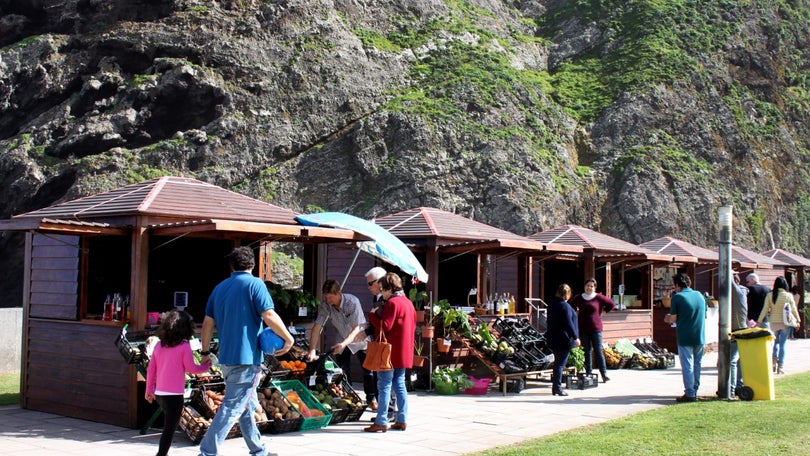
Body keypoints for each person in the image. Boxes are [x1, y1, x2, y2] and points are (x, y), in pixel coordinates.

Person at [199, 246, 294, 456]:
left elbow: (207, 323)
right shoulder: (255, 284)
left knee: (247, 407)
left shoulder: (220, 288)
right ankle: (206, 452)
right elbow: (268, 314)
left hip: (226, 358)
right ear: (252, 265)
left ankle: (258, 449)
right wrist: (288, 338)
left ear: (231, 266)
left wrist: (205, 352)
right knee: (232, 407)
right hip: (247, 358)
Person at [145, 310, 212, 456]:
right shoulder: (184, 346)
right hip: (175, 395)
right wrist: (206, 366)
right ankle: (161, 454)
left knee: (168, 426)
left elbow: (151, 370)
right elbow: (191, 368)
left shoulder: (159, 346)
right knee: (169, 428)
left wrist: (149, 390)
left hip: (160, 393)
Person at [306, 279, 375, 407]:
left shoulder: (352, 302)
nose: (328, 300)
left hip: (360, 336)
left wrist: (344, 344)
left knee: (368, 370)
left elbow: (355, 329)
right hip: (341, 336)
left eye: (331, 297)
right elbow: (317, 328)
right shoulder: (326, 305)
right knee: (343, 370)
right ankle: (350, 397)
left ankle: (372, 399)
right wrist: (312, 349)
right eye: (326, 297)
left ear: (339, 293)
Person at [364, 272, 416, 432]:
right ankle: (402, 419)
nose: (382, 293)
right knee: (400, 384)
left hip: (390, 351)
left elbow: (385, 326)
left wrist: (372, 316)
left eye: (382, 289)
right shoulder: (408, 302)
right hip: (404, 351)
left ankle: (381, 421)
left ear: (389, 288)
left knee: (384, 384)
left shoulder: (392, 303)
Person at [664, 273, 706, 403]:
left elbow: (673, 318)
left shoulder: (678, 297)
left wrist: (667, 319)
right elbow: (704, 315)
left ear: (677, 285)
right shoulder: (700, 295)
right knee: (697, 364)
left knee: (687, 365)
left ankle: (690, 393)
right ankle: (695, 389)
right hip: (700, 336)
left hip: (685, 336)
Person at [568, 278, 616, 383]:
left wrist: (603, 312)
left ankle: (604, 374)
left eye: (591, 286)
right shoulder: (579, 297)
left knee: (598, 351)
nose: (589, 287)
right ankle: (588, 372)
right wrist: (575, 314)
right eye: (587, 285)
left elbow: (612, 304)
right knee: (587, 351)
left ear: (595, 287)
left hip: (596, 329)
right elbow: (570, 306)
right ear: (584, 286)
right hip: (583, 328)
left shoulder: (598, 297)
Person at [365, 266, 394, 419]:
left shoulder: (388, 300)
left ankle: (389, 411)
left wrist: (371, 317)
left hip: (387, 343)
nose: (368, 287)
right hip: (378, 341)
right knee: (381, 378)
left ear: (380, 282)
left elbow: (385, 324)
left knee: (387, 379)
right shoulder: (377, 298)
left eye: (370, 284)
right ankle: (386, 411)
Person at [757, 276, 800, 375]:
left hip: (773, 322)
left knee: (775, 343)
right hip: (785, 323)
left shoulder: (770, 295)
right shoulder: (788, 295)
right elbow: (793, 309)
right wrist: (798, 320)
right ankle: (780, 367)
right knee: (783, 344)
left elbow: (764, 309)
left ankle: (773, 362)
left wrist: (759, 321)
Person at [545, 283, 580, 397]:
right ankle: (557, 388)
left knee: (557, 363)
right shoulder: (564, 306)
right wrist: (575, 337)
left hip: (552, 337)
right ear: (568, 294)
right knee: (560, 364)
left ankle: (557, 387)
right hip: (563, 339)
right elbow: (568, 324)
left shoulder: (551, 304)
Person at [729, 273, 749, 398]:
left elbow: (730, 283)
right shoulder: (742, 294)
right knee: (739, 360)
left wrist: (728, 270)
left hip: (738, 331)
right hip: (741, 330)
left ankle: (731, 390)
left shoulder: (739, 293)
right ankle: (739, 386)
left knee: (732, 361)